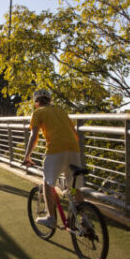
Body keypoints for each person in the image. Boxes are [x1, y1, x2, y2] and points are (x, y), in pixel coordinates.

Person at [22, 89, 83, 228]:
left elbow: (34, 136)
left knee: (47, 183)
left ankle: (51, 218)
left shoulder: (38, 113)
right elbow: (75, 135)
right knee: (73, 185)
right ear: (50, 100)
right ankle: (83, 215)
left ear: (36, 103)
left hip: (56, 150)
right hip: (73, 149)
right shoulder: (61, 111)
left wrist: (27, 156)